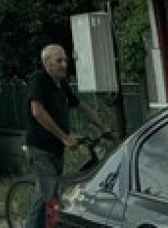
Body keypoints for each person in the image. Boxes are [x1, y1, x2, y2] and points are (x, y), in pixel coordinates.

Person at [24, 45, 109, 228]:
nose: (64, 65)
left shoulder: (61, 83)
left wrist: (105, 128)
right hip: (40, 148)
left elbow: (81, 106)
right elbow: (37, 112)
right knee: (48, 195)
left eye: (65, 60)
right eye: (59, 61)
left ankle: (51, 224)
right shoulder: (39, 80)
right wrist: (64, 137)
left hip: (56, 148)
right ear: (47, 64)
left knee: (53, 193)